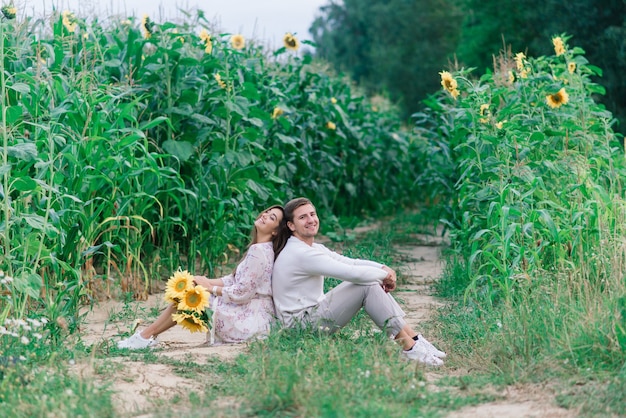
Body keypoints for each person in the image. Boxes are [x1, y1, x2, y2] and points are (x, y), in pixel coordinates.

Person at [271, 197, 446, 366]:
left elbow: (349, 262)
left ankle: (414, 339)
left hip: (310, 316)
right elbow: (351, 273)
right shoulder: (300, 253)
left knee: (369, 280)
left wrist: (383, 268)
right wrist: (383, 277)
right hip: (301, 327)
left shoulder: (310, 247)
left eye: (312, 214)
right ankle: (409, 348)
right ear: (291, 225)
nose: (311, 220)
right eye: (303, 217)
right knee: (366, 284)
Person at [117, 205, 285, 349]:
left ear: (276, 231)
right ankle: (147, 336)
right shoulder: (262, 249)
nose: (264, 216)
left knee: (191, 296)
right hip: (255, 317)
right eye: (266, 212)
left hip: (247, 322)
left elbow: (242, 292)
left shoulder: (258, 252)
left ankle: (145, 337)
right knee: (192, 289)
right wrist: (202, 280)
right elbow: (234, 280)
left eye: (271, 217)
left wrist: (209, 288)